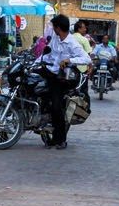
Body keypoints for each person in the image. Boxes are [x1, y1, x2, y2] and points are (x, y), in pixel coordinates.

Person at [34, 13, 90, 149]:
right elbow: (48, 55)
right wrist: (34, 63)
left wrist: (69, 60)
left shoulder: (72, 42)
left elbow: (86, 59)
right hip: (52, 72)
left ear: (58, 27)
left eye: (54, 26)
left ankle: (60, 139)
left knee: (56, 106)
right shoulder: (55, 39)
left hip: (63, 79)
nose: (53, 29)